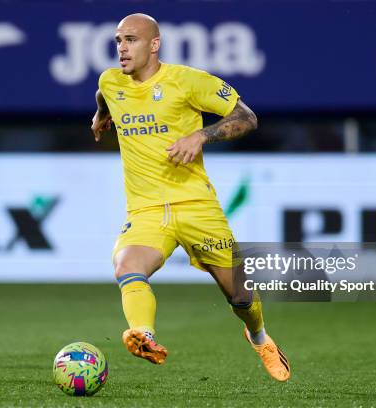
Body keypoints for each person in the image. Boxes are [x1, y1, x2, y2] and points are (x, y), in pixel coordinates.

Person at [91, 13, 290, 382]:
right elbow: (105, 93)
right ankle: (144, 335)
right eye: (118, 40)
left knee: (241, 298)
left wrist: (201, 136)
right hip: (147, 210)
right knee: (127, 265)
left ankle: (259, 336)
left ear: (154, 44)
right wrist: (102, 114)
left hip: (198, 207)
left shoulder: (187, 81)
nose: (121, 48)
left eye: (131, 40)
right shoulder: (111, 80)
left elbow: (247, 117)